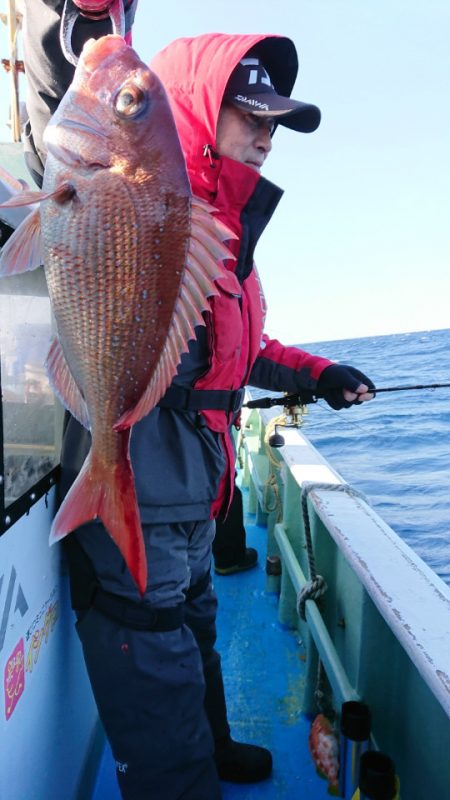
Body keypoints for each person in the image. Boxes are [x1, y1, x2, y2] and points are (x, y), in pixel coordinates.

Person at [21, 4, 375, 798]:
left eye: (274, 123)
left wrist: (317, 375)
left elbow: (240, 355)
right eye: (252, 114)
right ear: (201, 110)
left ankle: (211, 748)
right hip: (143, 484)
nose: (266, 134)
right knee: (156, 654)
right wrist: (68, 16)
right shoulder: (141, 187)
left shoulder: (226, 238)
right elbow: (62, 100)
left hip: (200, 489)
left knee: (197, 626)